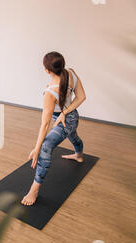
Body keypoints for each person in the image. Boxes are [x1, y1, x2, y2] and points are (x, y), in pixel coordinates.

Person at [21, 51, 87, 206]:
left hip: (63, 121)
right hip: (73, 118)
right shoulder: (71, 72)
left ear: (47, 70)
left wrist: (37, 148)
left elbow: (44, 124)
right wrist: (66, 112)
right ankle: (79, 155)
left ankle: (34, 189)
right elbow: (82, 97)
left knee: (46, 146)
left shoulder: (50, 92)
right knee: (73, 136)